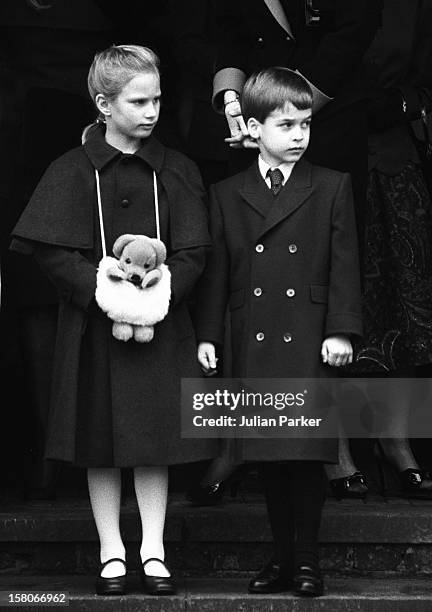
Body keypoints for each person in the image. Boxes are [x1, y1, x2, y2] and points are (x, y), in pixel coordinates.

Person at [10, 44, 215, 596]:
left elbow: (195, 250)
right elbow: (51, 252)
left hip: (160, 325)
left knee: (155, 440)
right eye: (139, 101)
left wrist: (161, 289)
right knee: (97, 437)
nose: (152, 111)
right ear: (104, 104)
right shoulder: (71, 169)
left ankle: (153, 549)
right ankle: (111, 551)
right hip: (94, 326)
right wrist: (98, 288)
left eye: (157, 100)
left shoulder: (178, 169)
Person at [195, 67, 362, 596]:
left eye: (305, 126)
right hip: (255, 335)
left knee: (307, 455)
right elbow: (218, 273)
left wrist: (341, 330)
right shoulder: (225, 193)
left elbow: (345, 265)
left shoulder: (332, 185)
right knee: (267, 456)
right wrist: (208, 336)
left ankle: (307, 562)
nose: (298, 136)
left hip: (309, 334)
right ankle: (283, 559)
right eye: (286, 125)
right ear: (252, 127)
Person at [348, 0, 432, 497]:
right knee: (335, 303)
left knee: (407, 306)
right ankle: (332, 449)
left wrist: (406, 104)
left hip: (396, 161)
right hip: (322, 152)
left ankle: (395, 441)